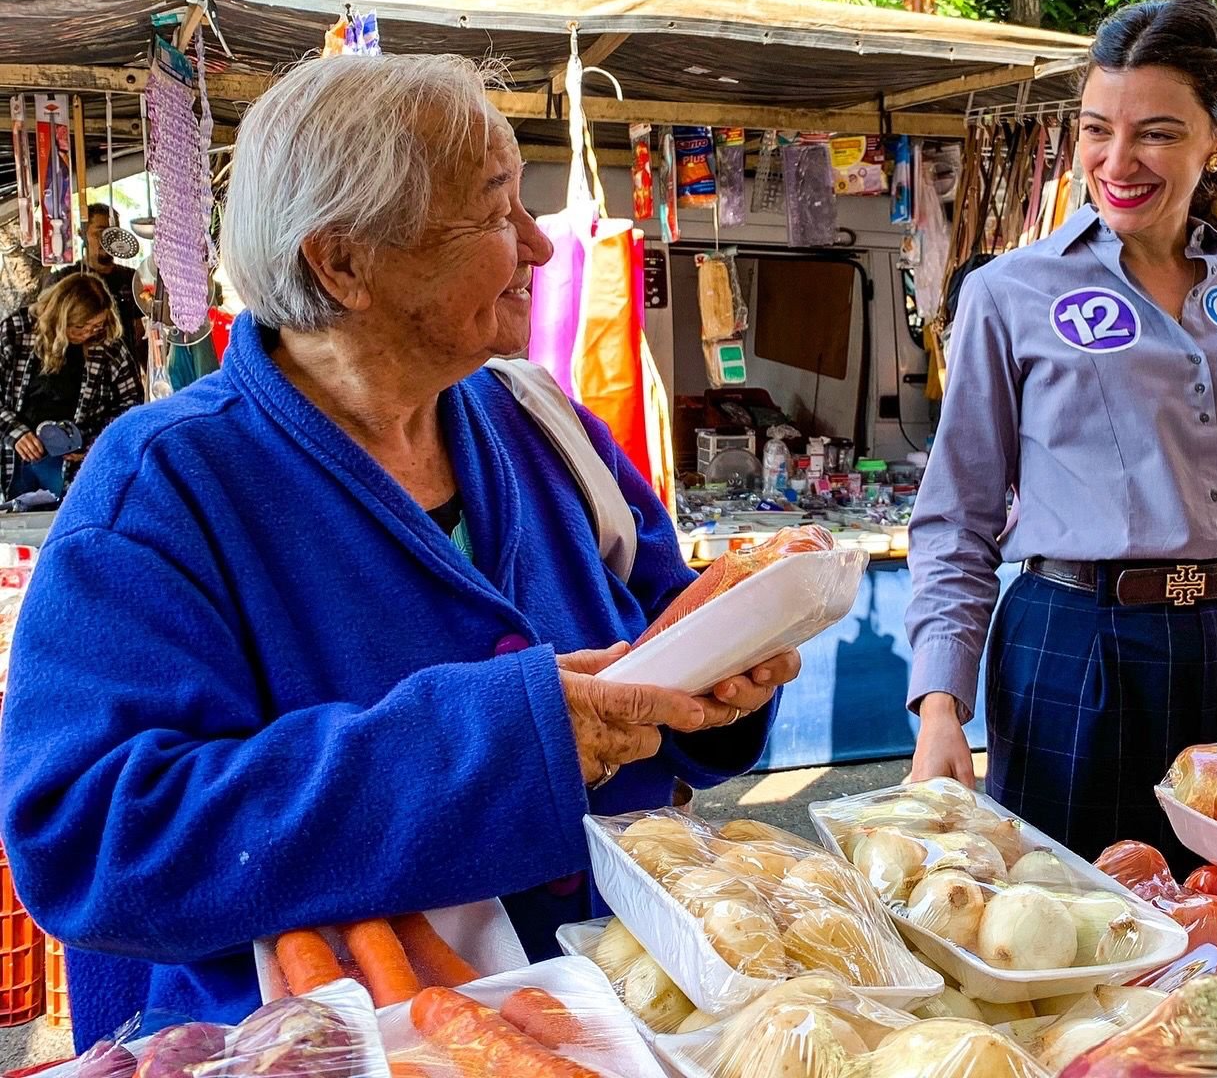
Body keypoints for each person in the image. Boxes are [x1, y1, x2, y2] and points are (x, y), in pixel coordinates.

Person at [0, 53, 799, 1045]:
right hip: (337, 1047)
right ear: (343, 264)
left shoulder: (542, 427)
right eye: (497, 210)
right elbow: (90, 839)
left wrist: (714, 679)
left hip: (616, 1020)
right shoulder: (164, 487)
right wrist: (513, 741)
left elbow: (658, 621)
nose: (540, 248)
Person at [905, 0, 1217, 867]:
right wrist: (941, 703)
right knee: (1071, 926)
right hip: (1074, 648)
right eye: (1095, 129)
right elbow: (957, 516)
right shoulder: (1008, 295)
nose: (1117, 161)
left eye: (1157, 133)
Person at [0, 272, 143, 499]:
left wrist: (95, 441)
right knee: (20, 526)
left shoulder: (109, 345)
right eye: (79, 327)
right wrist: (14, 433)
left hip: (79, 465)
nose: (88, 333)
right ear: (60, 317)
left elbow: (131, 406)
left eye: (96, 326)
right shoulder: (16, 331)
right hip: (17, 458)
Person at [43, 203, 145, 362]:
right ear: (82, 234)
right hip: (77, 373)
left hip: (123, 373)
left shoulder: (131, 278)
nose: (108, 239)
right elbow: (47, 332)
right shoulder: (63, 281)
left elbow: (138, 333)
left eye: (114, 233)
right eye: (100, 232)